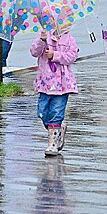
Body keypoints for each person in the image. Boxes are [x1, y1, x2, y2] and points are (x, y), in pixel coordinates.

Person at [30, 19, 78, 157]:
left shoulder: (69, 40)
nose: (66, 25)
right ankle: (57, 131)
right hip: (45, 83)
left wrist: (55, 55)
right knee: (43, 112)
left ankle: (52, 143)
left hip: (62, 85)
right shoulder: (45, 36)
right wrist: (41, 40)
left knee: (56, 113)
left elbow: (72, 57)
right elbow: (34, 52)